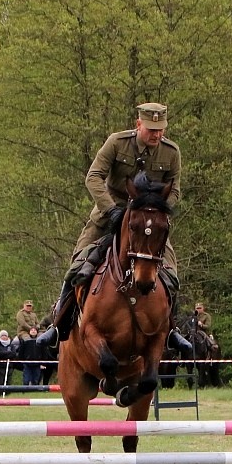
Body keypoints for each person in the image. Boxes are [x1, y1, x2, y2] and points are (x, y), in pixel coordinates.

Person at [37, 102, 191, 355]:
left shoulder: (171, 152)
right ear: (138, 124)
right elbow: (93, 176)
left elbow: (174, 188)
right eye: (151, 129)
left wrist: (156, 209)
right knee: (78, 265)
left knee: (170, 274)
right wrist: (111, 209)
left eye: (160, 129)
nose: (157, 134)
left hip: (147, 221)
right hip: (111, 213)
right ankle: (58, 324)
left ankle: (172, 331)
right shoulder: (117, 142)